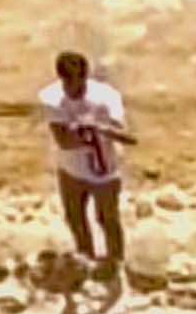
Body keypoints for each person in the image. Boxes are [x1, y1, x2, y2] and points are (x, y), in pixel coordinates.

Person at [38, 49, 133, 278]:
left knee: (107, 218)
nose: (73, 87)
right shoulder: (51, 98)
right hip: (71, 170)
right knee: (75, 217)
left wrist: (102, 129)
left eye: (78, 81)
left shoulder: (106, 97)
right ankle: (85, 261)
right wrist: (84, 133)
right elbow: (63, 141)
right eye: (67, 82)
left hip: (105, 171)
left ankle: (115, 264)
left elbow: (127, 136)